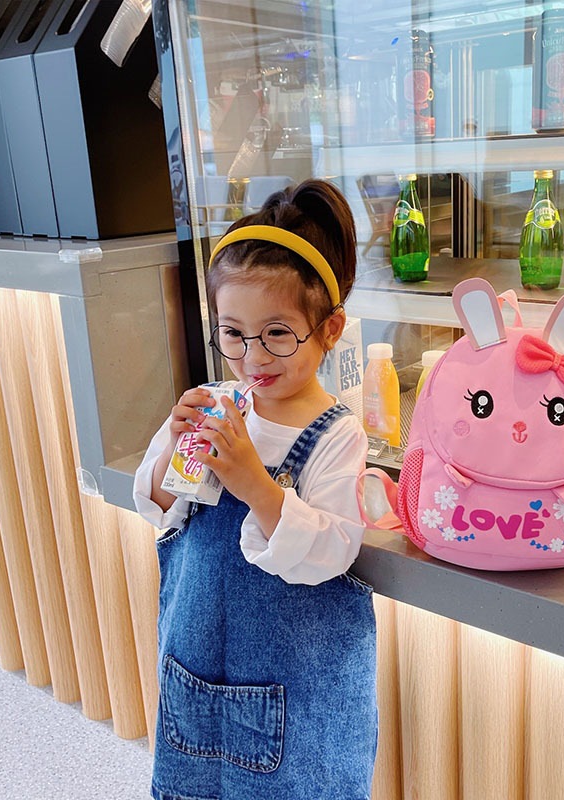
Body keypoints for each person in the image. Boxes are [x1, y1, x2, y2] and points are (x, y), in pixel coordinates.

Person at [133, 179, 377, 800]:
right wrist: (172, 451)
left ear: (329, 329)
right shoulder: (216, 404)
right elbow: (159, 506)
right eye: (233, 334)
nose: (253, 357)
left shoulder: (336, 434)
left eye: (277, 333)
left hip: (298, 709)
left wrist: (253, 482)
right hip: (193, 680)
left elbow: (331, 552)